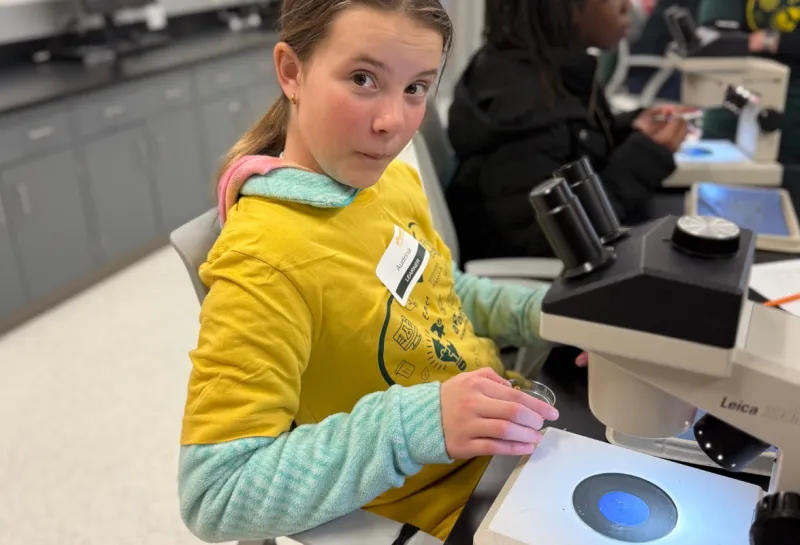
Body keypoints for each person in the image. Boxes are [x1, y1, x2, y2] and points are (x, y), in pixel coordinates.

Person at [178, 1, 562, 542]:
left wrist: (555, 316)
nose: (392, 123)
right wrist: (416, 426)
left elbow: (440, 293)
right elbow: (214, 495)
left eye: (416, 88)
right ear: (291, 72)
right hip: (457, 505)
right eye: (363, 79)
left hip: (512, 437)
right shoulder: (264, 259)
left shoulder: (391, 182)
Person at [445, 0, 691, 263]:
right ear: (566, 7)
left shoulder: (538, 73)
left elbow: (567, 141)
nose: (627, 6)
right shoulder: (522, 105)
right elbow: (549, 239)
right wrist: (646, 156)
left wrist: (628, 128)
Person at [698, 0, 800, 166]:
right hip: (731, 98)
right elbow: (716, 36)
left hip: (791, 114)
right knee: (712, 171)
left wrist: (772, 41)